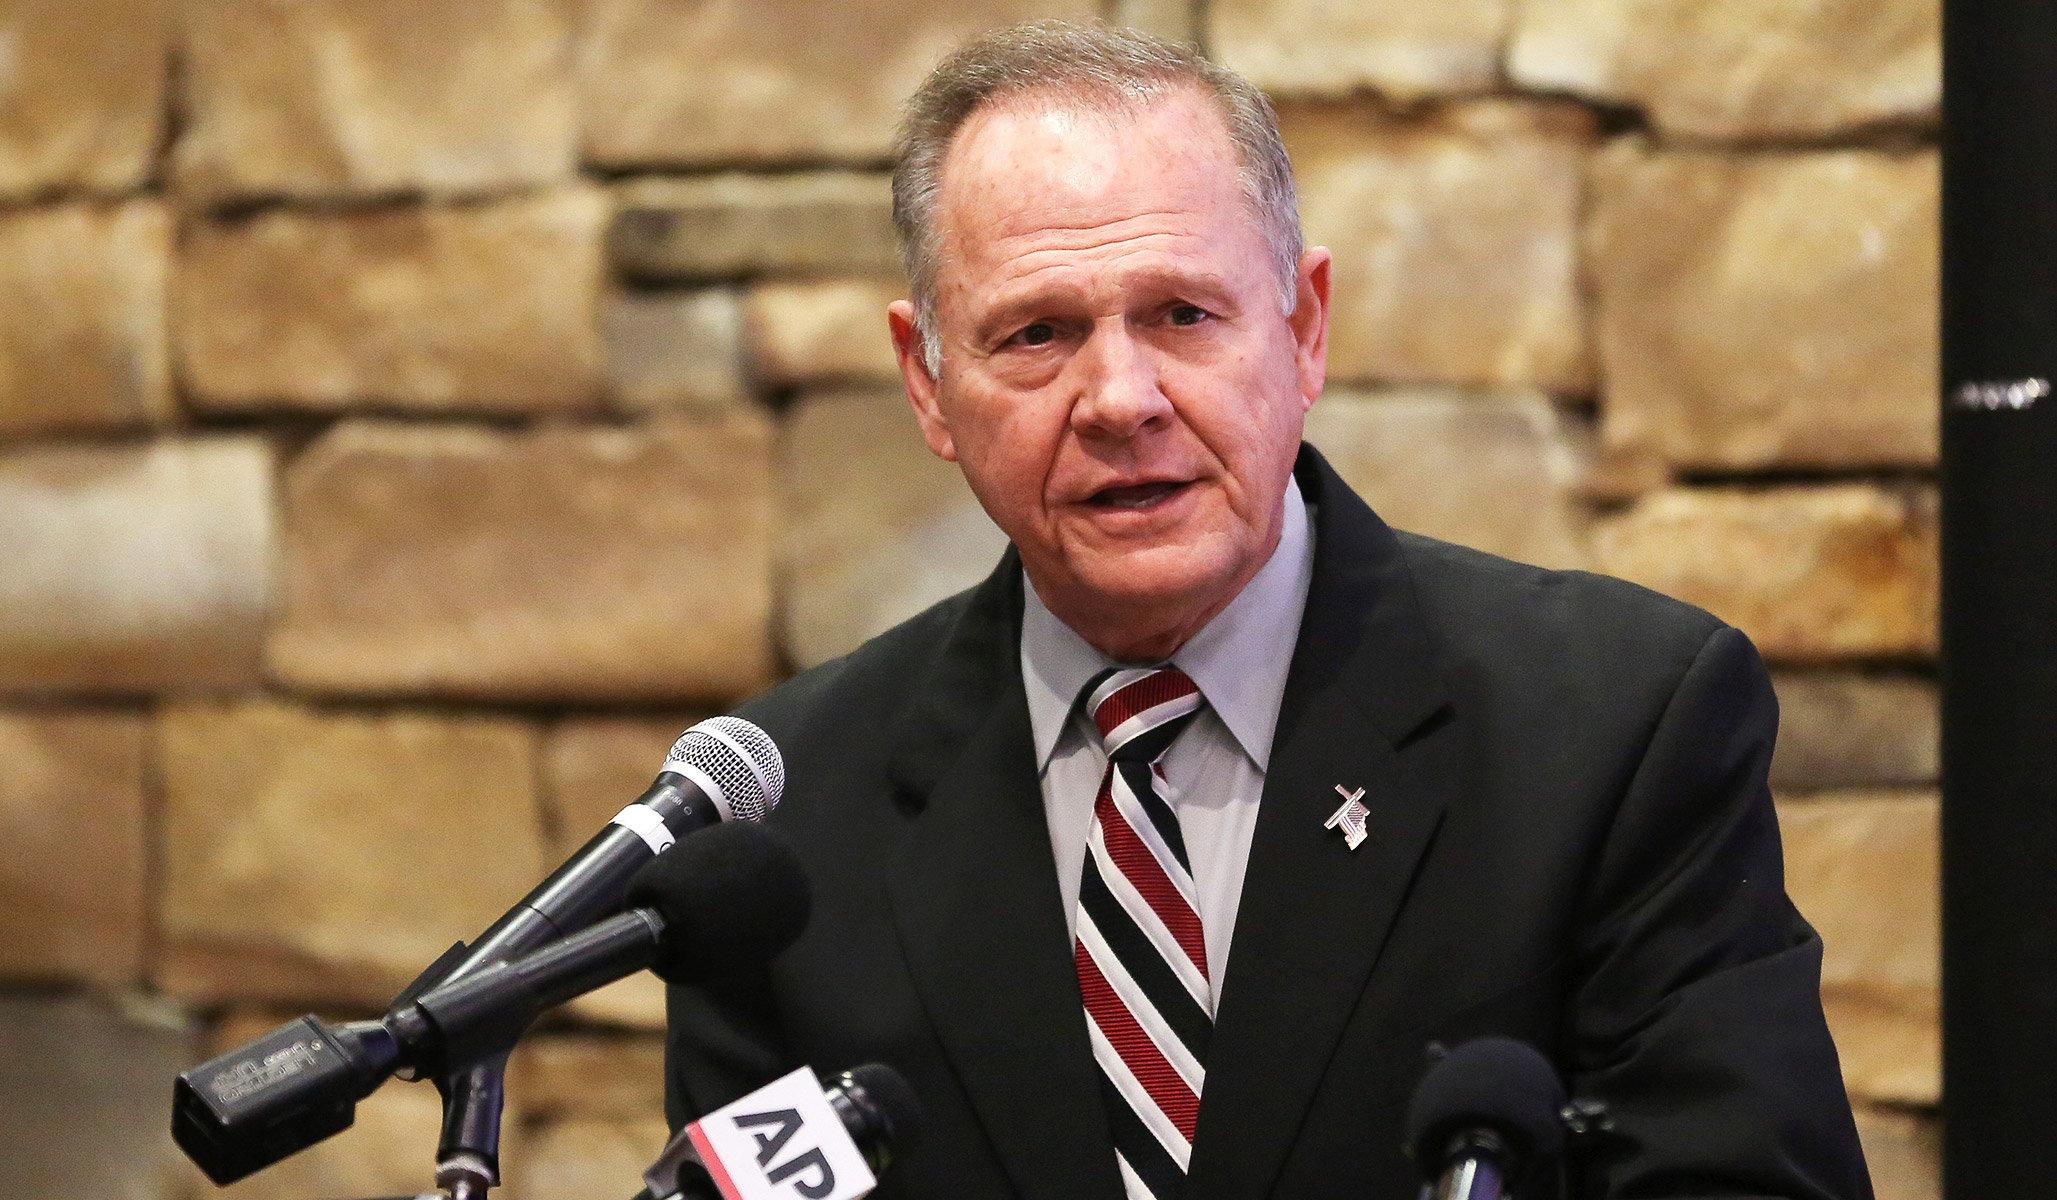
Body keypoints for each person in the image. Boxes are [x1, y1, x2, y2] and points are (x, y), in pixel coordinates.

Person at [663, 20, 1871, 1200]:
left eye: (1182, 315)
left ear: (1301, 328)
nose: (1119, 399)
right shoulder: (783, 824)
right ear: (927, 383)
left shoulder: (1613, 729)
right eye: (1036, 333)